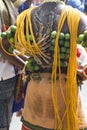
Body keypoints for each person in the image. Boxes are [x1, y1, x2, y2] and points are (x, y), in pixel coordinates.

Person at [1, 0, 87, 130]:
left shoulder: (26, 17)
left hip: (36, 95)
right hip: (65, 94)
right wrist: (84, 72)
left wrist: (26, 64)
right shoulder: (77, 17)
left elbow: (4, 46)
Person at [0, 0, 28, 130]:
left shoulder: (7, 5)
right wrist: (27, 66)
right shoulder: (2, 8)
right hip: (3, 77)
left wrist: (27, 59)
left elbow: (10, 48)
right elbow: (4, 49)